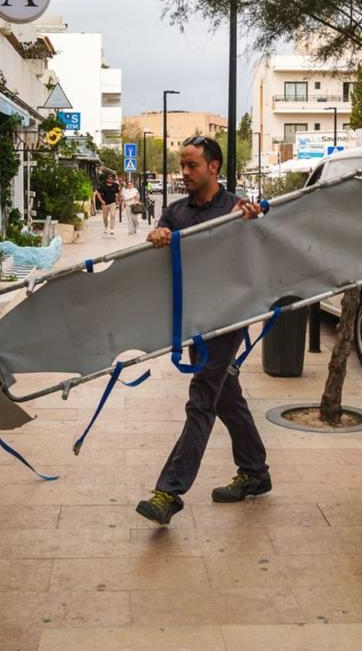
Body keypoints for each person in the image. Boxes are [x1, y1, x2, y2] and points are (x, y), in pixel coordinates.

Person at [136, 135, 269, 525]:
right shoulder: (176, 212)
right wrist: (156, 235)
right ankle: (255, 472)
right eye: (182, 165)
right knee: (226, 397)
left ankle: (169, 492)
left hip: (225, 320)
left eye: (192, 165)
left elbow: (262, 250)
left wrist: (254, 223)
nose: (185, 173)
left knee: (202, 399)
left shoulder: (238, 209)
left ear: (214, 167)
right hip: (191, 320)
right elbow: (156, 239)